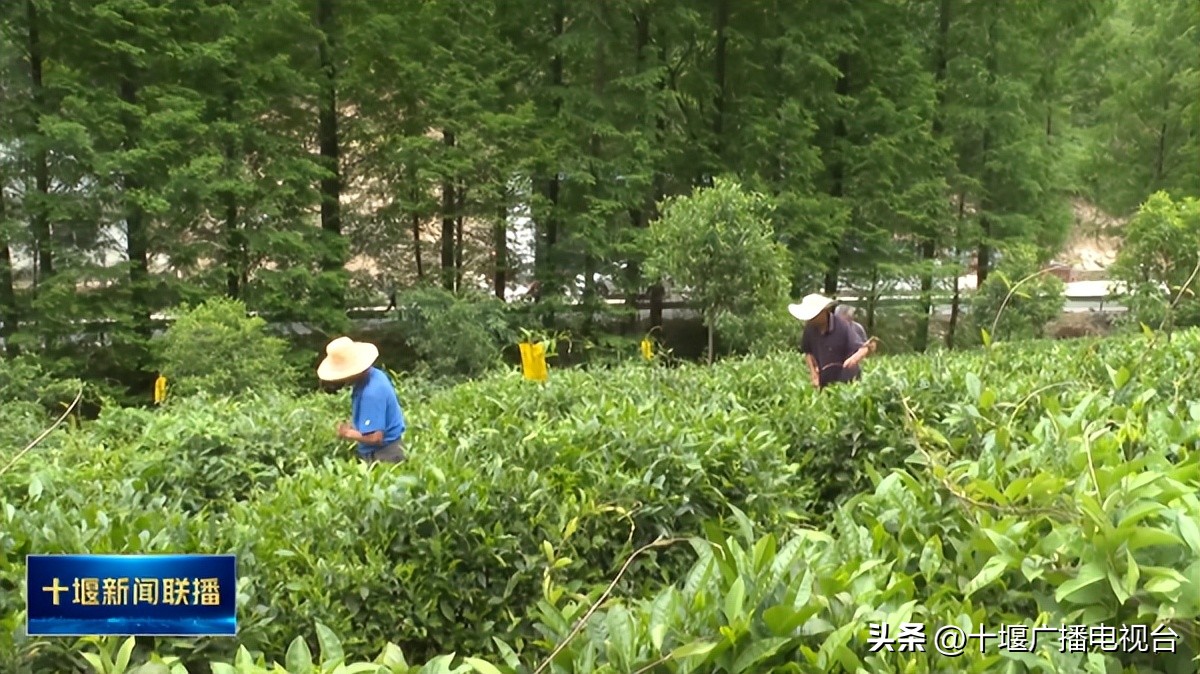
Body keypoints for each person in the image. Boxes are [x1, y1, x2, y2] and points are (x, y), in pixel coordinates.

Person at [317, 336, 407, 463]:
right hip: (386, 449)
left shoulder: (371, 392)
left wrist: (347, 433)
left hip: (385, 455)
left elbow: (376, 438)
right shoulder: (374, 375)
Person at [788, 293, 872, 389]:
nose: (810, 319)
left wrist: (854, 359)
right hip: (824, 381)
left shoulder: (843, 326)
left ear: (825, 311)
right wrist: (813, 374)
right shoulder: (810, 327)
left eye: (814, 316)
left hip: (847, 384)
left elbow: (864, 348)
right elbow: (808, 352)